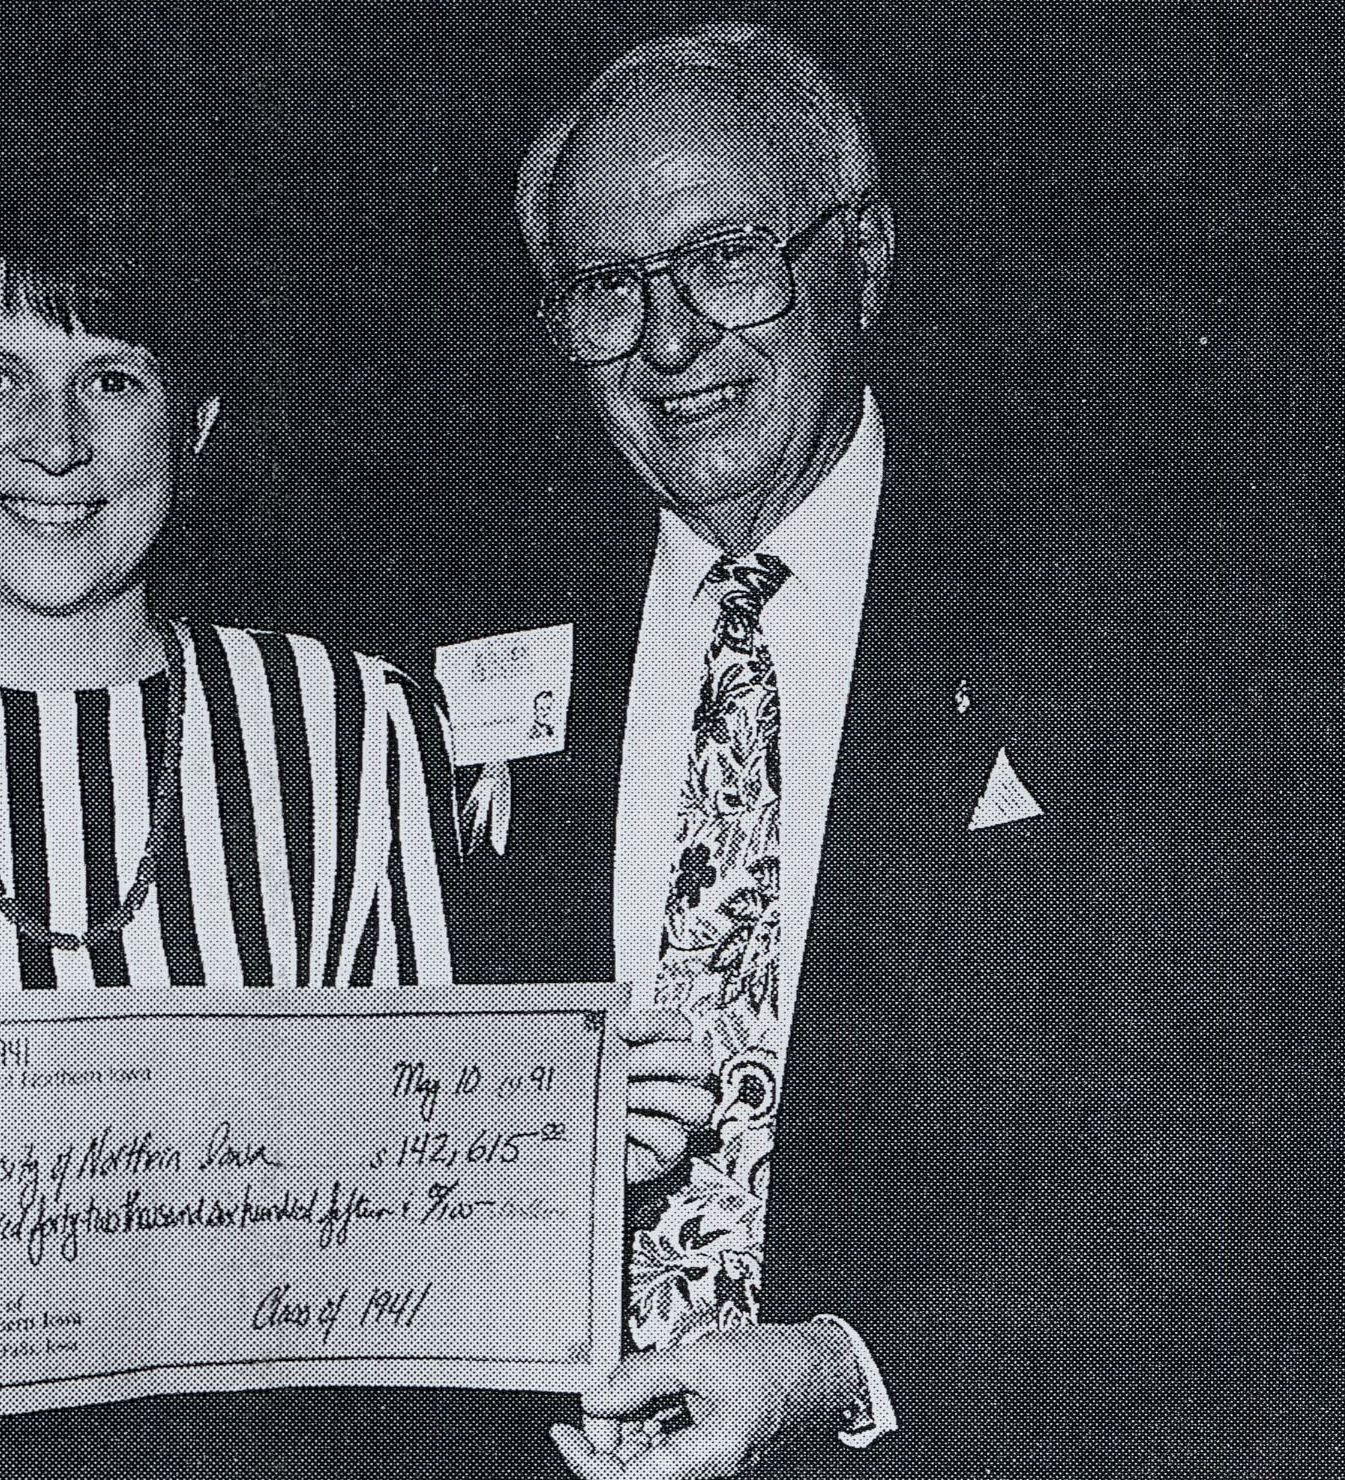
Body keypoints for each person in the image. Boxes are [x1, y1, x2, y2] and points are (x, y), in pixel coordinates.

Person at [0, 212, 717, 1477]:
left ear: (191, 426)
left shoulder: (355, 723)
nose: (58, 441)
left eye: (112, 380)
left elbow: (415, 1206)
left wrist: (571, 1154)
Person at [391, 27, 1263, 1478]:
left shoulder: (1117, 630)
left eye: (729, 257)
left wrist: (841, 1368)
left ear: (860, 251)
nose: (669, 343)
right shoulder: (454, 638)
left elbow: (1236, 1160)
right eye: (607, 288)